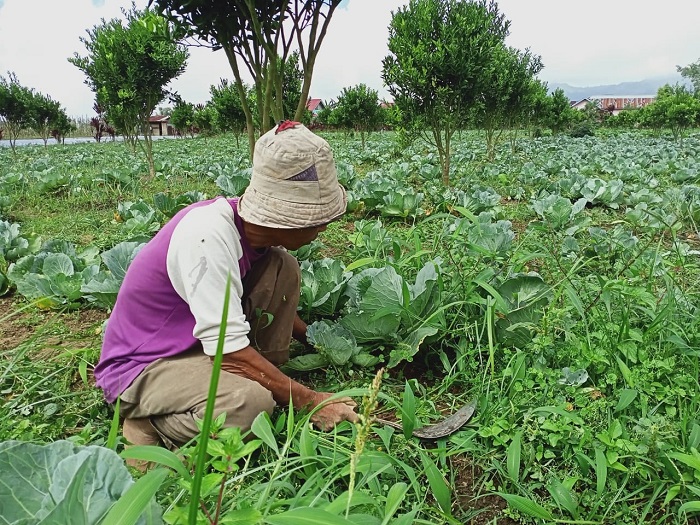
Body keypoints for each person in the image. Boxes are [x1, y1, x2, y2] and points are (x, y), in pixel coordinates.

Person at [94, 121, 359, 450]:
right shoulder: (208, 238)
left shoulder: (251, 237)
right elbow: (229, 352)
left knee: (282, 266)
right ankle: (150, 421)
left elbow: (269, 311)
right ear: (284, 218)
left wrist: (319, 342)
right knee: (252, 406)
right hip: (144, 366)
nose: (325, 225)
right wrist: (310, 400)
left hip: (196, 345)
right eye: (317, 218)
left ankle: (262, 373)